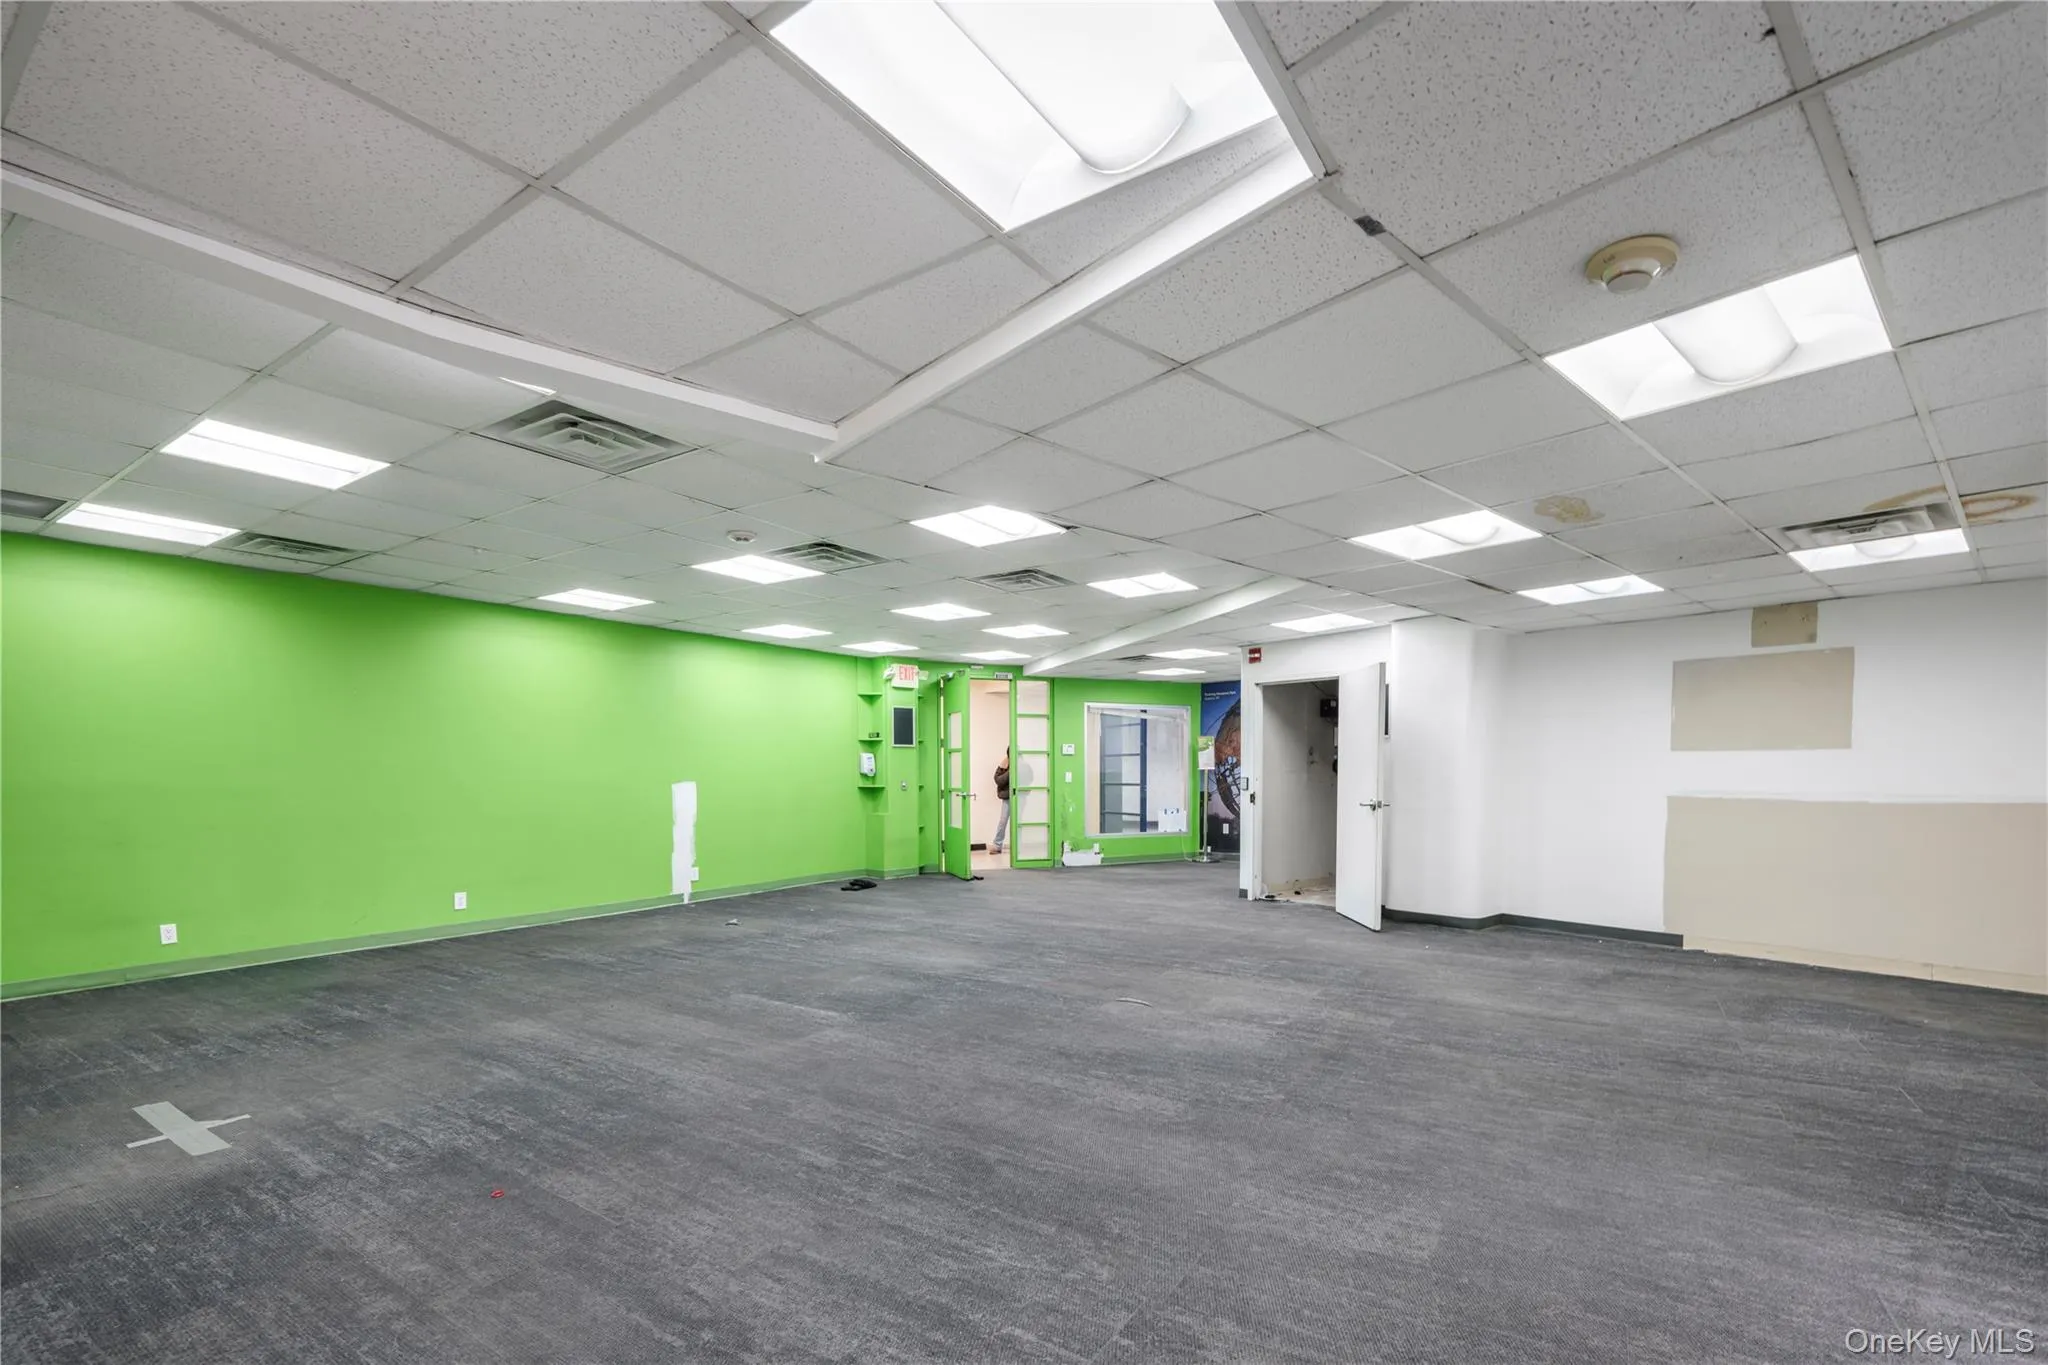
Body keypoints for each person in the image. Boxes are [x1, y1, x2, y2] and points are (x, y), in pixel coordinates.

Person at [990, 748, 1011, 855]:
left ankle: (1020, 847)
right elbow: (998, 780)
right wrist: (1010, 772)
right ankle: (997, 845)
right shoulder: (1004, 764)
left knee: (1020, 823)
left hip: (1021, 796)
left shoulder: (1024, 765)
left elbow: (1030, 777)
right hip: (1008, 797)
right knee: (1003, 821)